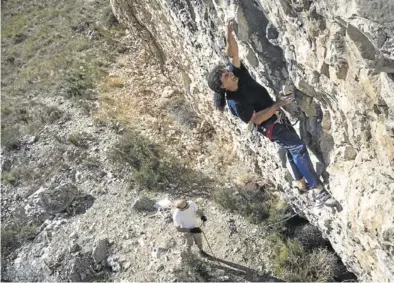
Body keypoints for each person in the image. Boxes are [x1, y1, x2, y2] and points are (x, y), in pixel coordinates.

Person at [207, 19, 334, 205]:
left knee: (291, 150)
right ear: (223, 86)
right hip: (270, 126)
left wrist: (229, 33)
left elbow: (232, 53)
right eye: (226, 76)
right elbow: (257, 119)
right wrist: (277, 105)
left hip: (277, 118)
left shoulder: (238, 75)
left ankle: (300, 183)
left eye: (227, 72)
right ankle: (317, 189)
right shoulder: (235, 103)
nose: (229, 73)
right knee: (297, 147)